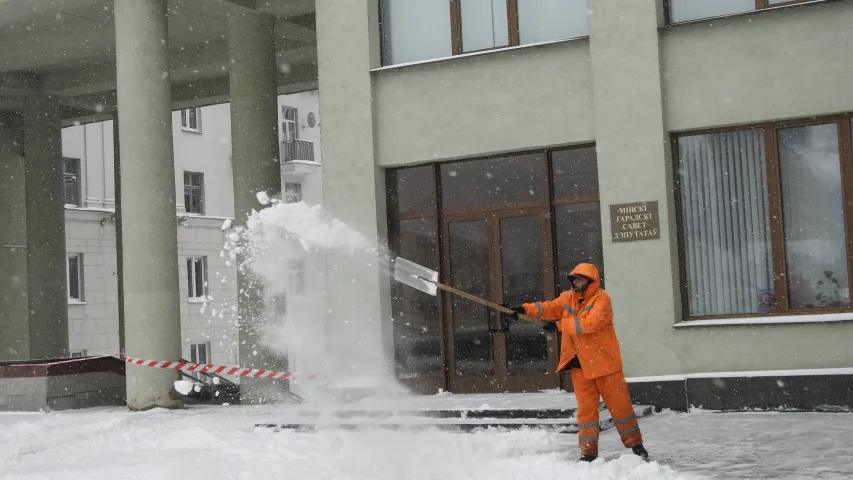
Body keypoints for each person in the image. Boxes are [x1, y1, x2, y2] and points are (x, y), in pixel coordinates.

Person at [505, 263, 649, 463]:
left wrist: (558, 324)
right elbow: (548, 307)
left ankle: (636, 446)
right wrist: (525, 309)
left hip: (605, 364)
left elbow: (589, 324)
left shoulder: (602, 299)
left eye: (579, 278)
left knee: (621, 409)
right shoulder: (567, 298)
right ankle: (588, 453)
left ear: (591, 280)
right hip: (579, 364)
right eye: (573, 278)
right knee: (586, 413)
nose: (575, 282)